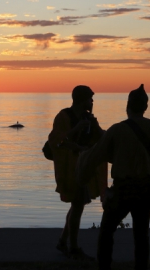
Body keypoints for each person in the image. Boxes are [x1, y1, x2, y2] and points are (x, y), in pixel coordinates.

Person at [76, 84, 150, 270]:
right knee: (141, 237)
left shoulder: (117, 129)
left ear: (127, 106)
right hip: (145, 190)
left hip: (122, 190)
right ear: (145, 106)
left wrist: (81, 170)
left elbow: (95, 155)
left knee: (106, 233)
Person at [48, 85, 107, 260]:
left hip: (84, 167)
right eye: (90, 98)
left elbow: (101, 139)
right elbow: (56, 141)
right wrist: (76, 130)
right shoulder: (63, 116)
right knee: (77, 204)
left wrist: (95, 126)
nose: (92, 102)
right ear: (82, 100)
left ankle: (63, 242)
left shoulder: (88, 118)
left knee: (77, 205)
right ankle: (72, 247)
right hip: (70, 168)